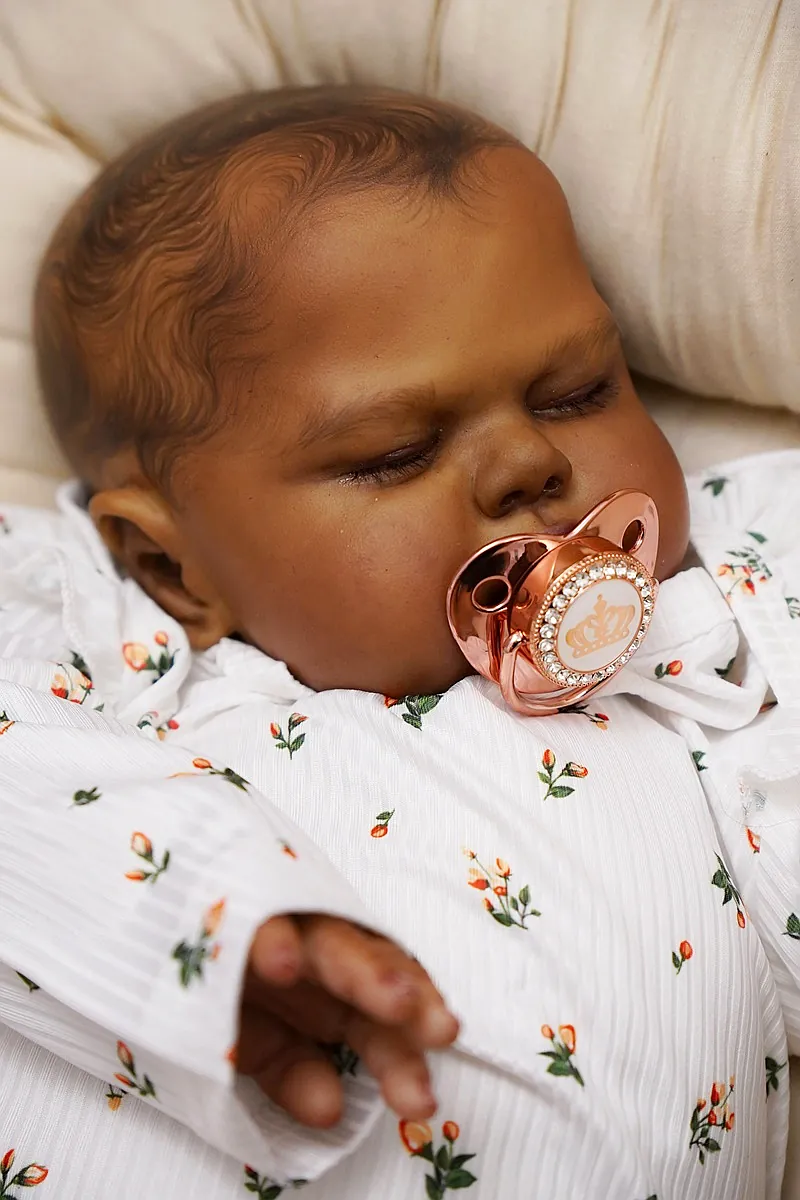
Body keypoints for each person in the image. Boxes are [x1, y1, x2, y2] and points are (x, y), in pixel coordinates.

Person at [0, 85, 797, 1198]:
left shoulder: (716, 610)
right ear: (173, 566)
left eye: (577, 391)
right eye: (394, 454)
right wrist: (198, 911)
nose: (526, 463)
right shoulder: (99, 623)